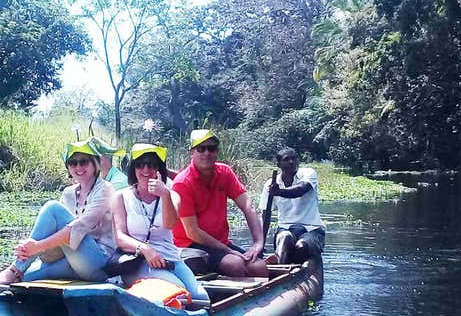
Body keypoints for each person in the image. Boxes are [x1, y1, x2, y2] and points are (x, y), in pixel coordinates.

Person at [0, 139, 115, 286]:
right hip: (71, 261)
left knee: (52, 208)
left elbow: (77, 229)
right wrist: (27, 247)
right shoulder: (68, 193)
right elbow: (51, 233)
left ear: (95, 164)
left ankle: (14, 269)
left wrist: (37, 247)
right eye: (73, 163)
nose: (78, 167)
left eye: (84, 162)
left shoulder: (105, 189)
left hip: (98, 264)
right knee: (19, 279)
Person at [111, 143, 209, 302]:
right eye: (140, 165)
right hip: (137, 261)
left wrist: (164, 195)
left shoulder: (173, 196)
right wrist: (145, 249)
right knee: (180, 294)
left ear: (159, 169)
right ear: (133, 169)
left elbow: (170, 224)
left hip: (170, 258)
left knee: (201, 297)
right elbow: (119, 236)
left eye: (151, 165)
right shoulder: (120, 197)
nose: (146, 170)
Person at [172, 129, 268, 278]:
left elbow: (247, 205)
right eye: (200, 149)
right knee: (235, 264)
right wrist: (228, 250)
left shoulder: (225, 172)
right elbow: (193, 232)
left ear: (217, 152)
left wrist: (258, 243)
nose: (206, 153)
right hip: (190, 245)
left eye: (211, 149)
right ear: (192, 152)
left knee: (259, 267)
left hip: (220, 242)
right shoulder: (182, 182)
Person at [258, 147, 325, 264]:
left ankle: (294, 268)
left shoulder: (308, 173)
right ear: (278, 164)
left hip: (312, 230)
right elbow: (266, 216)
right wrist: (260, 244)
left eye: (294, 159)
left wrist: (279, 192)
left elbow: (301, 190)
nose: (291, 162)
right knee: (284, 238)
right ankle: (281, 271)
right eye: (286, 159)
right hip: (286, 229)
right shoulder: (270, 184)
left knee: (301, 247)